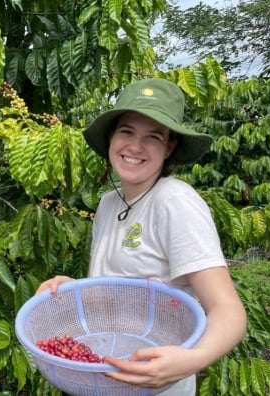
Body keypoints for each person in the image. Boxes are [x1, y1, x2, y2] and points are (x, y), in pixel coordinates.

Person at [37, 78, 246, 395]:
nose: (135, 147)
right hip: (106, 377)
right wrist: (72, 289)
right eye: (126, 132)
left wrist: (193, 359)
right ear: (111, 138)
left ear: (169, 146)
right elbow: (118, 289)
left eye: (153, 137)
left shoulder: (175, 202)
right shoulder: (109, 203)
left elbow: (228, 309)